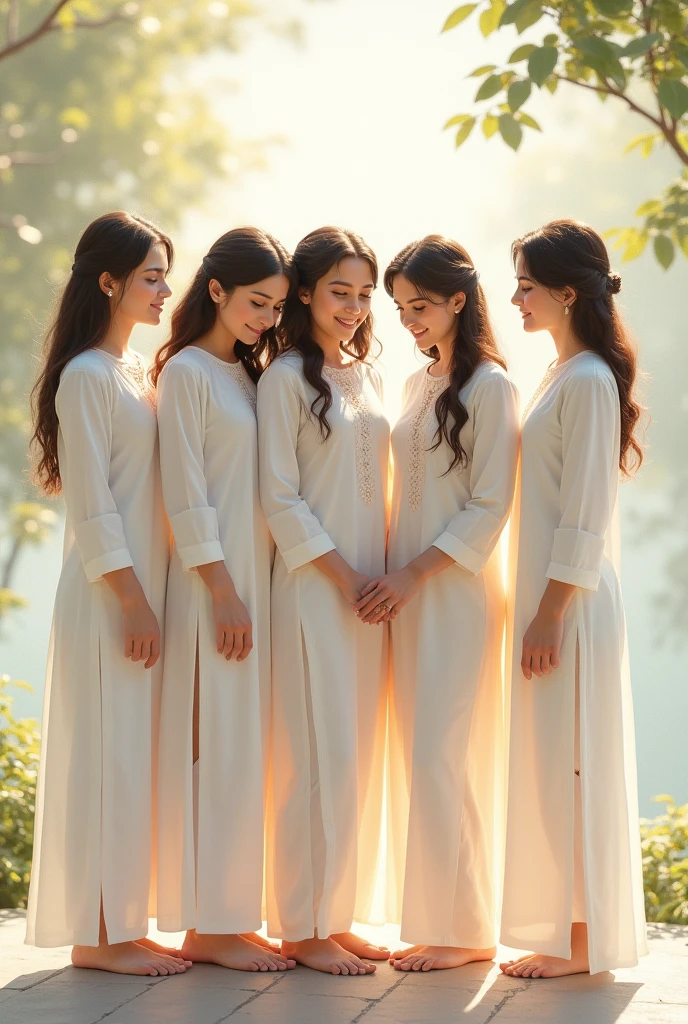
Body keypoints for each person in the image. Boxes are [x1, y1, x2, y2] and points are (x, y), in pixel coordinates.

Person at [26, 211, 188, 977]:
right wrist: (129, 599)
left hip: (142, 588)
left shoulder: (131, 370)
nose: (164, 291)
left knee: (133, 756)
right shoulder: (88, 375)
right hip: (108, 595)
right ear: (109, 281)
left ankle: (121, 920)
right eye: (151, 276)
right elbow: (92, 506)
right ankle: (97, 937)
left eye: (165, 276)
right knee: (105, 753)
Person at [356, 235, 519, 972]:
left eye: (419, 306)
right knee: (418, 754)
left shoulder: (492, 387)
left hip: (452, 593)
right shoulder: (418, 386)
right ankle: (442, 921)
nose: (407, 320)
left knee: (446, 755)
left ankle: (468, 931)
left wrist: (414, 574)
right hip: (403, 593)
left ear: (459, 299)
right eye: (399, 308)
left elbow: (491, 505)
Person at [500, 219, 647, 978]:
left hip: (572, 603)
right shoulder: (561, 373)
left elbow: (584, 514)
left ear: (565, 292)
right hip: (550, 597)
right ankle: (568, 923)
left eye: (526, 285)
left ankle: (584, 937)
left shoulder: (588, 379)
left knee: (577, 759)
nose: (515, 298)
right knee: (555, 758)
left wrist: (550, 614)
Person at [152, 228, 295, 973]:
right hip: (215, 588)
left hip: (253, 583)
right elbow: (186, 491)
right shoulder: (185, 373)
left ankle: (231, 915)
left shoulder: (244, 374)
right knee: (215, 748)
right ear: (215, 290)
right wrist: (222, 591)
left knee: (244, 751)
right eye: (255, 302)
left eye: (275, 306)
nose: (267, 319)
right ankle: (208, 925)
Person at [257, 226, 390, 976]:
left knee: (352, 756)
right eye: (340, 291)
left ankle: (334, 916)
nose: (354, 306)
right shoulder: (284, 379)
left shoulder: (366, 375)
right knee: (311, 756)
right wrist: (343, 578)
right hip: (316, 592)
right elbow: (279, 498)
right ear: (303, 291)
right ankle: (301, 926)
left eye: (364, 294)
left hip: (371, 595)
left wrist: (380, 579)